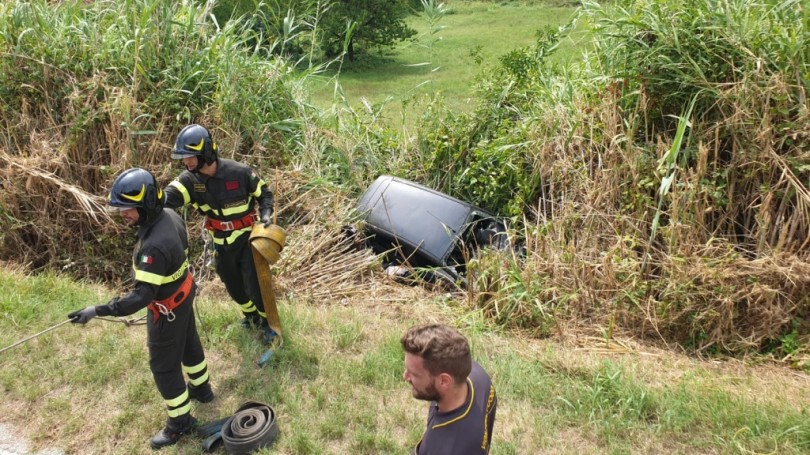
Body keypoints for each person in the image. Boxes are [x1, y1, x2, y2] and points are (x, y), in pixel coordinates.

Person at [68, 167, 213, 450]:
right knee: (189, 345)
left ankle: (180, 422)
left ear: (145, 205)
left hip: (167, 309)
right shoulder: (170, 216)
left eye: (128, 209)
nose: (123, 215)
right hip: (183, 295)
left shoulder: (153, 248)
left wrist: (97, 310)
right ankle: (202, 389)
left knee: (164, 367)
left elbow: (140, 298)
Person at [162, 124, 276, 342]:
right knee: (232, 285)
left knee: (255, 284)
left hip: (248, 240)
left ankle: (268, 323)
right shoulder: (189, 180)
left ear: (205, 151)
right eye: (184, 158)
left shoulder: (240, 172)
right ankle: (251, 316)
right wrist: (151, 201)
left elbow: (264, 194)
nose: (186, 162)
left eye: (190, 157)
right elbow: (168, 196)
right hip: (221, 243)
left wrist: (266, 216)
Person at [401, 324, 497, 455]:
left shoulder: (443, 447)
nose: (405, 376)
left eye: (414, 374)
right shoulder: (479, 378)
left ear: (444, 381)